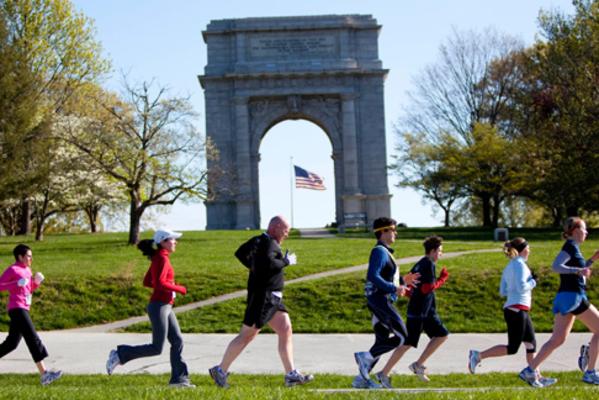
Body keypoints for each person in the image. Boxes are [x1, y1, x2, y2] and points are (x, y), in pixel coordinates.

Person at [208, 215, 313, 388]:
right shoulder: (269, 243)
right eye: (286, 230)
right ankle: (220, 370)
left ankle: (291, 374)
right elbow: (269, 265)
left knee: (285, 329)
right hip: (265, 298)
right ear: (276, 227)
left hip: (273, 298)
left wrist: (253, 265)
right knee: (247, 335)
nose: (287, 234)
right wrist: (286, 261)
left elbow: (240, 253)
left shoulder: (259, 240)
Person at [106, 229, 194, 388]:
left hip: (165, 305)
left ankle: (179, 380)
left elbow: (147, 282)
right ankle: (120, 354)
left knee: (177, 340)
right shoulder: (161, 258)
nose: (176, 242)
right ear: (163, 241)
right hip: (159, 306)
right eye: (173, 239)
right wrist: (179, 288)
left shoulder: (159, 258)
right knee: (156, 348)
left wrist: (169, 286)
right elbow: (159, 283)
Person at [519, 217, 599, 386]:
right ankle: (590, 372)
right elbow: (556, 266)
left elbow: (578, 269)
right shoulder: (570, 247)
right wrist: (579, 270)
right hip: (574, 297)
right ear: (576, 231)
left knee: (557, 339)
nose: (587, 233)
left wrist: (592, 260)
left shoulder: (573, 248)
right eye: (584, 229)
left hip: (565, 297)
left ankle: (530, 370)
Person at [468, 237, 555, 387]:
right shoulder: (520, 265)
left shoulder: (510, 266)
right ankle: (478, 355)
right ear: (522, 250)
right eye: (528, 248)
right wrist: (533, 281)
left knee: (531, 344)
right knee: (513, 348)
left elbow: (502, 291)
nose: (530, 250)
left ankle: (536, 377)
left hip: (515, 308)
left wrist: (517, 288)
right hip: (517, 309)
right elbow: (522, 287)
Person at [372, 235, 450, 387]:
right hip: (420, 313)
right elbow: (427, 288)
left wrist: (415, 298)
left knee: (442, 334)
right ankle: (383, 373)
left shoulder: (419, 264)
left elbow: (409, 290)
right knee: (406, 343)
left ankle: (418, 365)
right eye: (440, 251)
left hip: (425, 312)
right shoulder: (428, 264)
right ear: (433, 251)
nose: (441, 254)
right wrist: (442, 279)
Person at [352, 217, 420, 389]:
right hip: (380, 301)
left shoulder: (385, 252)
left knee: (381, 341)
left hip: (379, 300)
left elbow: (384, 277)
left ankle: (361, 380)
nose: (395, 233)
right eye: (392, 230)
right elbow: (372, 276)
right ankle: (365, 357)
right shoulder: (380, 251)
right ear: (383, 232)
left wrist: (403, 281)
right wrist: (393, 287)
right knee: (403, 337)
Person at [0, 244, 62, 385]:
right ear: (20, 257)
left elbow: (28, 290)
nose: (31, 259)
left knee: (11, 343)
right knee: (32, 338)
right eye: (28, 256)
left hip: (24, 308)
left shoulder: (27, 270)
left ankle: (44, 374)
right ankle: (44, 374)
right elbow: (0, 285)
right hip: (17, 308)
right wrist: (15, 283)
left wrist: (36, 283)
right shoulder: (13, 269)